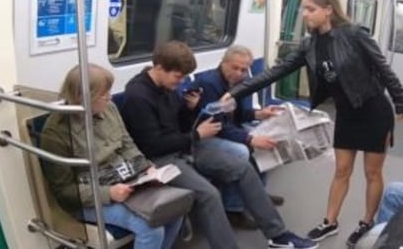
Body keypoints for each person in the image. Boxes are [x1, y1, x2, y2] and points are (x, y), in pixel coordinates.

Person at [222, 0, 403, 248]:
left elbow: (384, 69)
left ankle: (366, 222)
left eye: (310, 8)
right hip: (347, 115)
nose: (304, 14)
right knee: (342, 170)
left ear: (328, 10)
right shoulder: (309, 45)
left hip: (374, 111)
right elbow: (276, 71)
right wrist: (236, 92)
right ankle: (330, 222)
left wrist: (400, 102)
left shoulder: (355, 35)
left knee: (372, 173)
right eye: (304, 8)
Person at [120, 40, 318, 249]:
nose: (180, 83)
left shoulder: (167, 86)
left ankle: (278, 235)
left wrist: (191, 109)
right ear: (159, 68)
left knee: (243, 168)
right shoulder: (137, 97)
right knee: (209, 195)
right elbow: (153, 146)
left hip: (185, 147)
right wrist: (196, 135)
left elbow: (181, 124)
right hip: (160, 161)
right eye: (178, 77)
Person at [40, 64, 182, 249]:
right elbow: (65, 191)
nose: (110, 97)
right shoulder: (56, 132)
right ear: (83, 98)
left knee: (174, 209)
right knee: (150, 227)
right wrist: (108, 194)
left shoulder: (109, 109)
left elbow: (126, 143)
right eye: (103, 94)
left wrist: (147, 168)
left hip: (125, 180)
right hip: (91, 197)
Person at [186, 45, 285, 218]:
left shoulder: (235, 83)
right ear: (223, 63)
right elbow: (217, 124)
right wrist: (249, 139)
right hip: (201, 139)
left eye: (244, 69)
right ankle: (233, 209)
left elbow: (235, 115)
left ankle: (257, 193)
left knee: (264, 140)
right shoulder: (210, 84)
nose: (239, 73)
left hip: (223, 130)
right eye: (235, 67)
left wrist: (258, 114)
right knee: (239, 151)